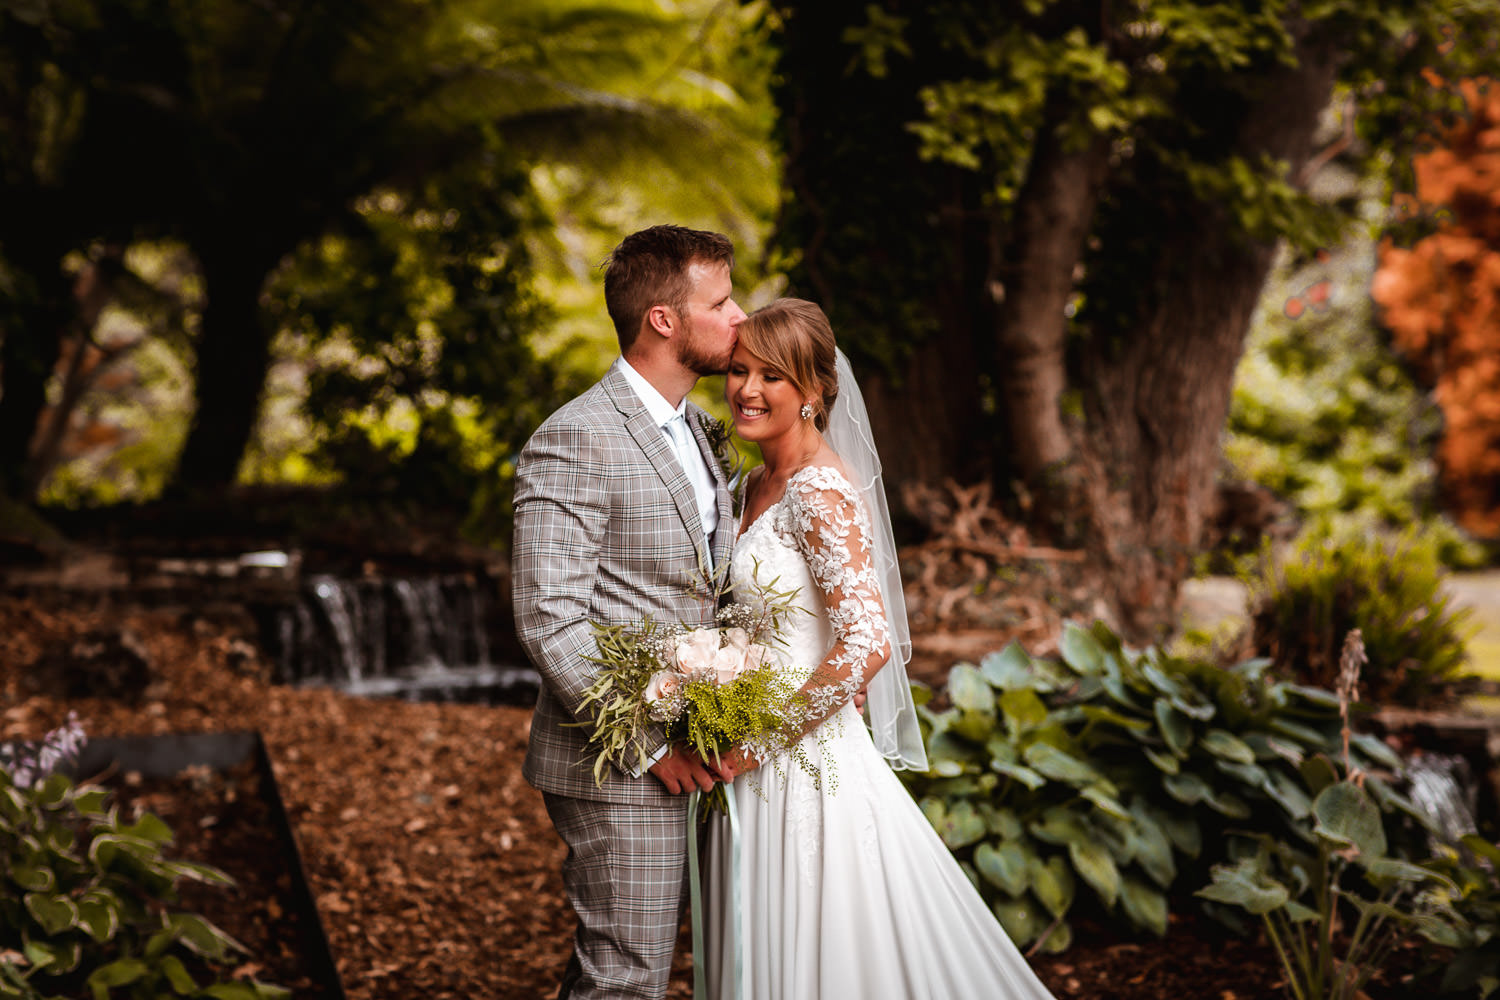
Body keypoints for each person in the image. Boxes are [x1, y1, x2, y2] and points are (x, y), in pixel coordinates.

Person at [702, 298, 1058, 999]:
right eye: (740, 370)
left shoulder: (820, 492)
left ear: (813, 391)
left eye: (772, 376)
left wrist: (756, 740)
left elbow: (867, 641)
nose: (747, 390)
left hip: (798, 762)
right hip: (738, 750)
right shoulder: (749, 486)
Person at [512, 224, 747, 999]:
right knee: (625, 979)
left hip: (703, 743)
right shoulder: (575, 437)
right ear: (664, 320)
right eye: (720, 302)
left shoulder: (702, 430)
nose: (740, 316)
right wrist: (651, 745)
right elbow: (550, 618)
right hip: (616, 760)